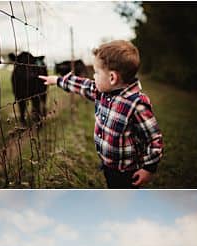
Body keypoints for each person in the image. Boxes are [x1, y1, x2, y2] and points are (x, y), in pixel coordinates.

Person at [38, 40, 164, 188]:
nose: (93, 77)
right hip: (108, 164)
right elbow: (83, 86)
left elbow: (154, 138)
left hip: (128, 171)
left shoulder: (136, 104)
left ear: (112, 78)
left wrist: (149, 168)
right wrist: (57, 80)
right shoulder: (102, 93)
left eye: (96, 73)